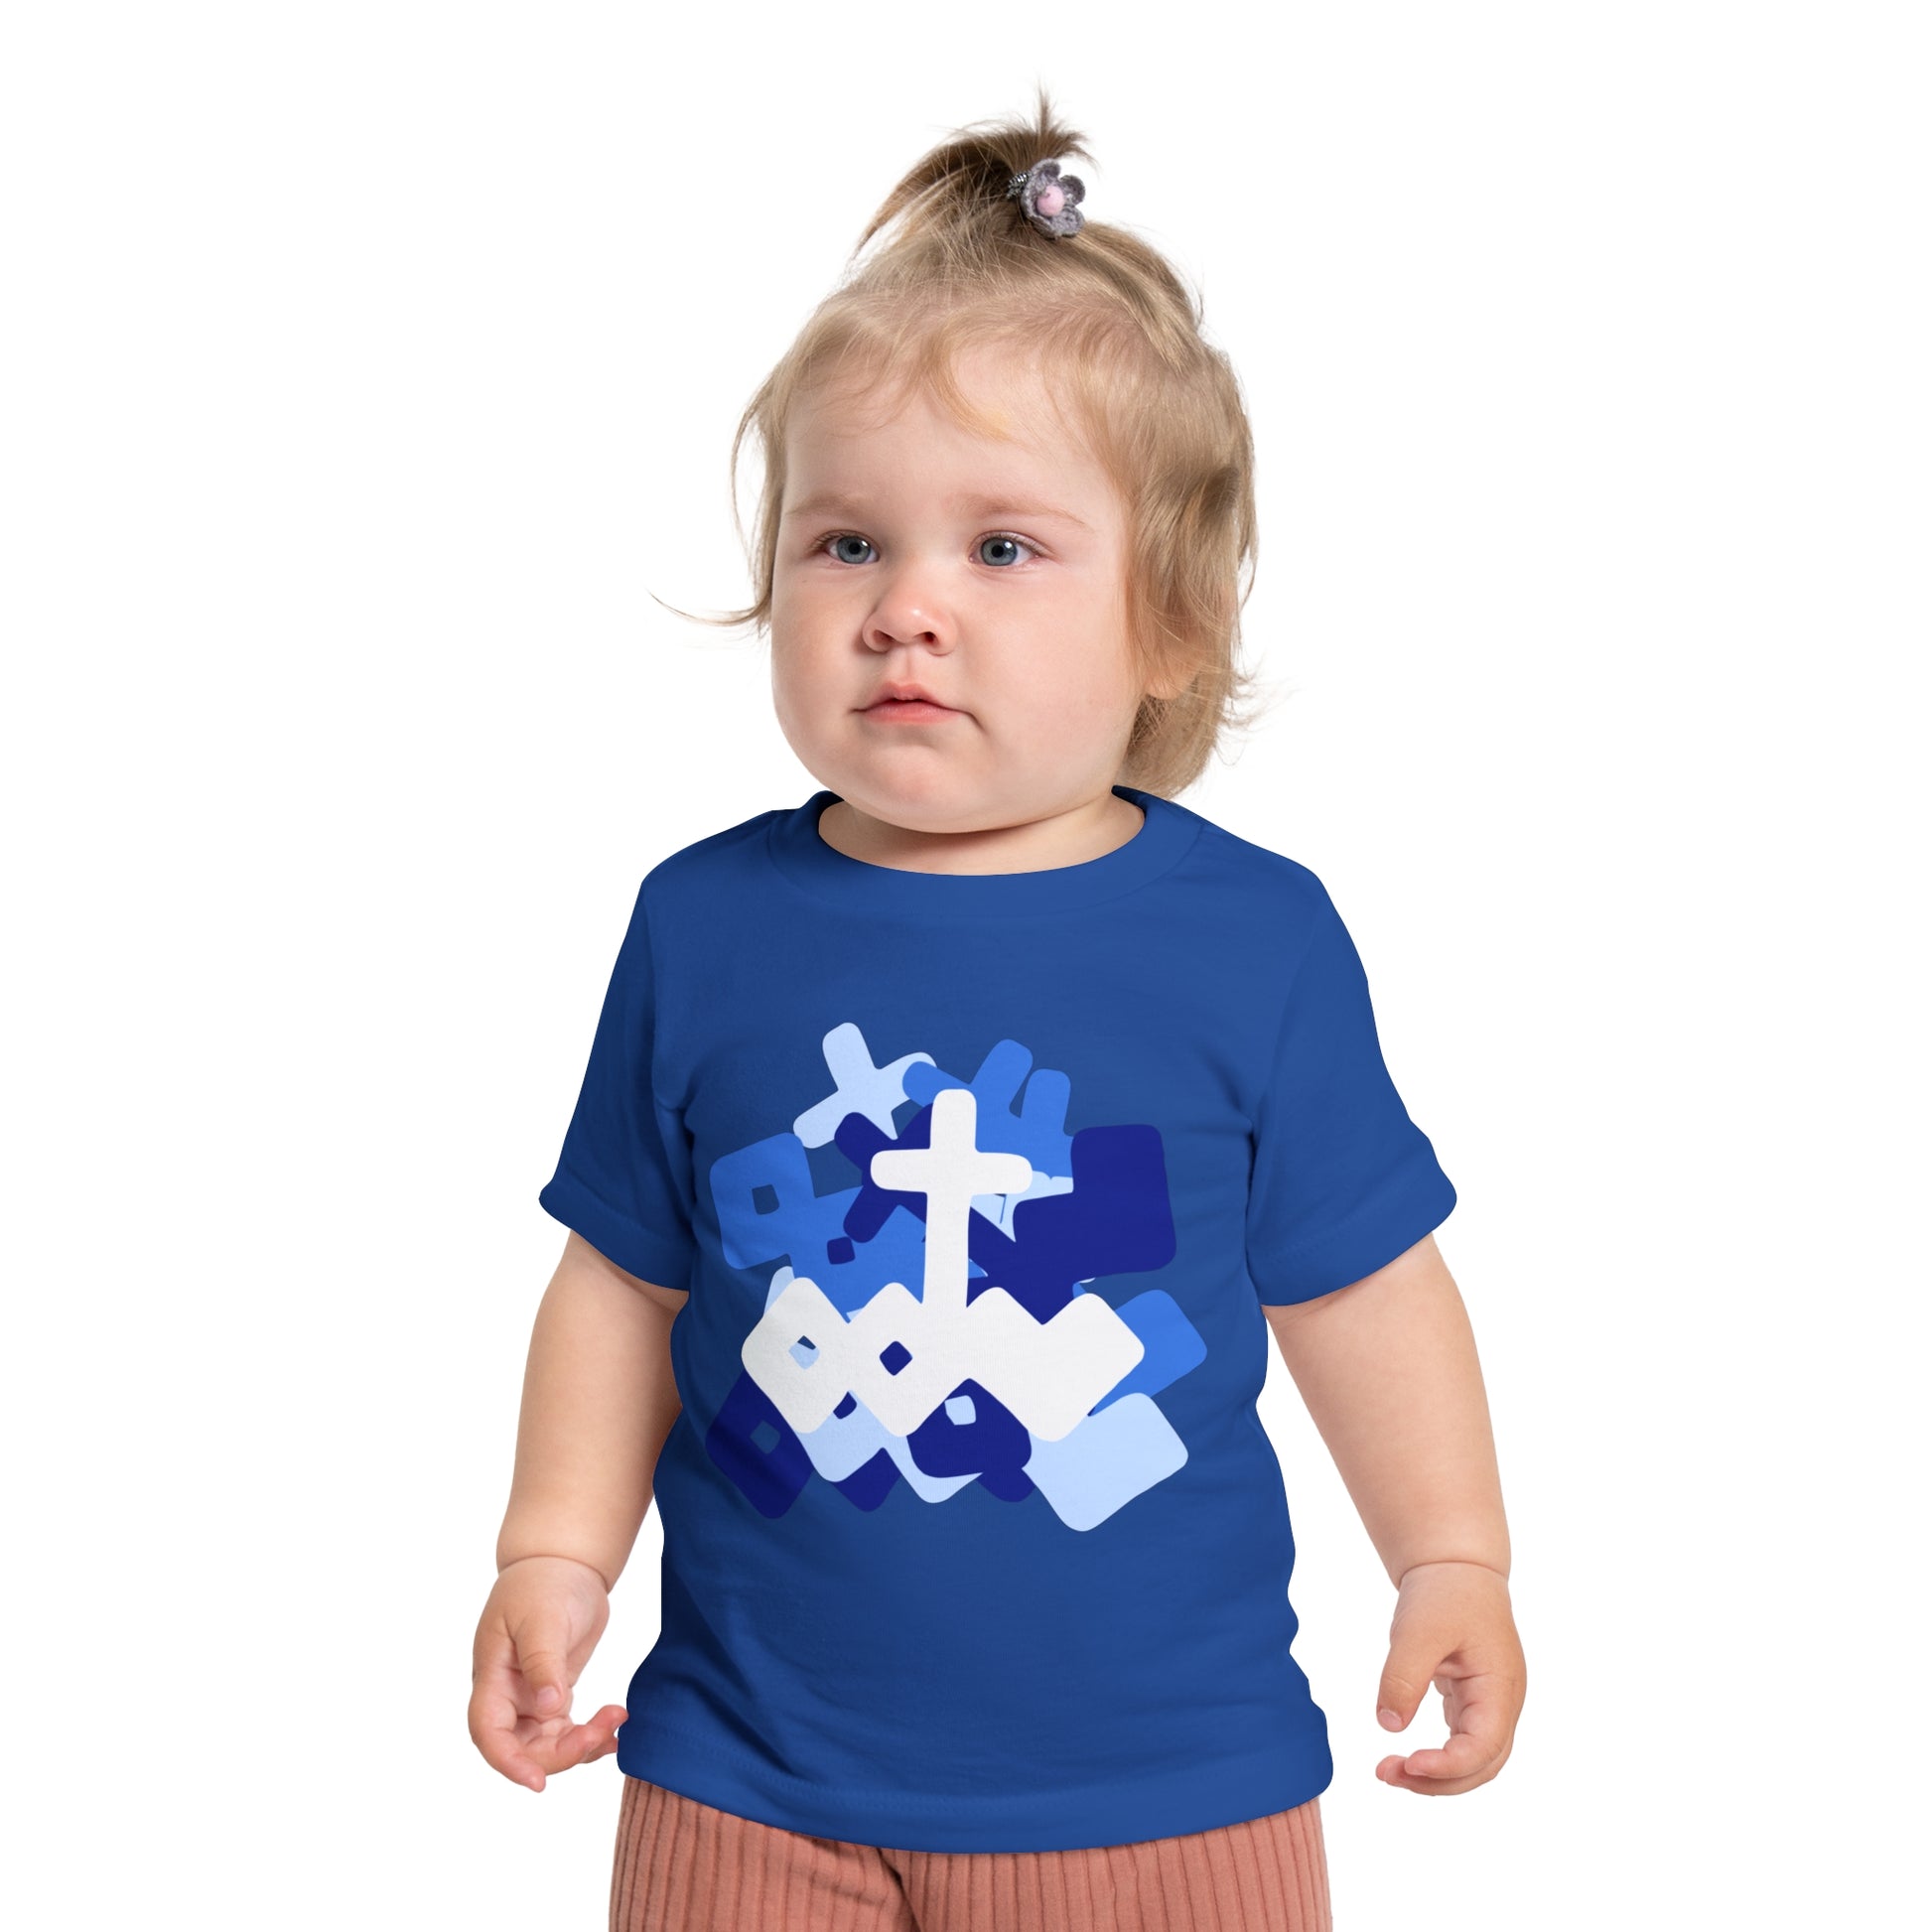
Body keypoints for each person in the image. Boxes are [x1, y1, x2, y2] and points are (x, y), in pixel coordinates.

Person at [469, 89, 1526, 1932]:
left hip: (1162, 1794)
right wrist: (555, 1547)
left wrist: (1451, 1553)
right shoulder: (701, 924)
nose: (905, 609)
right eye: (844, 544)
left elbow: (1359, 1278)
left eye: (1003, 550)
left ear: (1171, 622)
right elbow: (627, 1279)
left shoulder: (1251, 941)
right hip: (744, 1776)